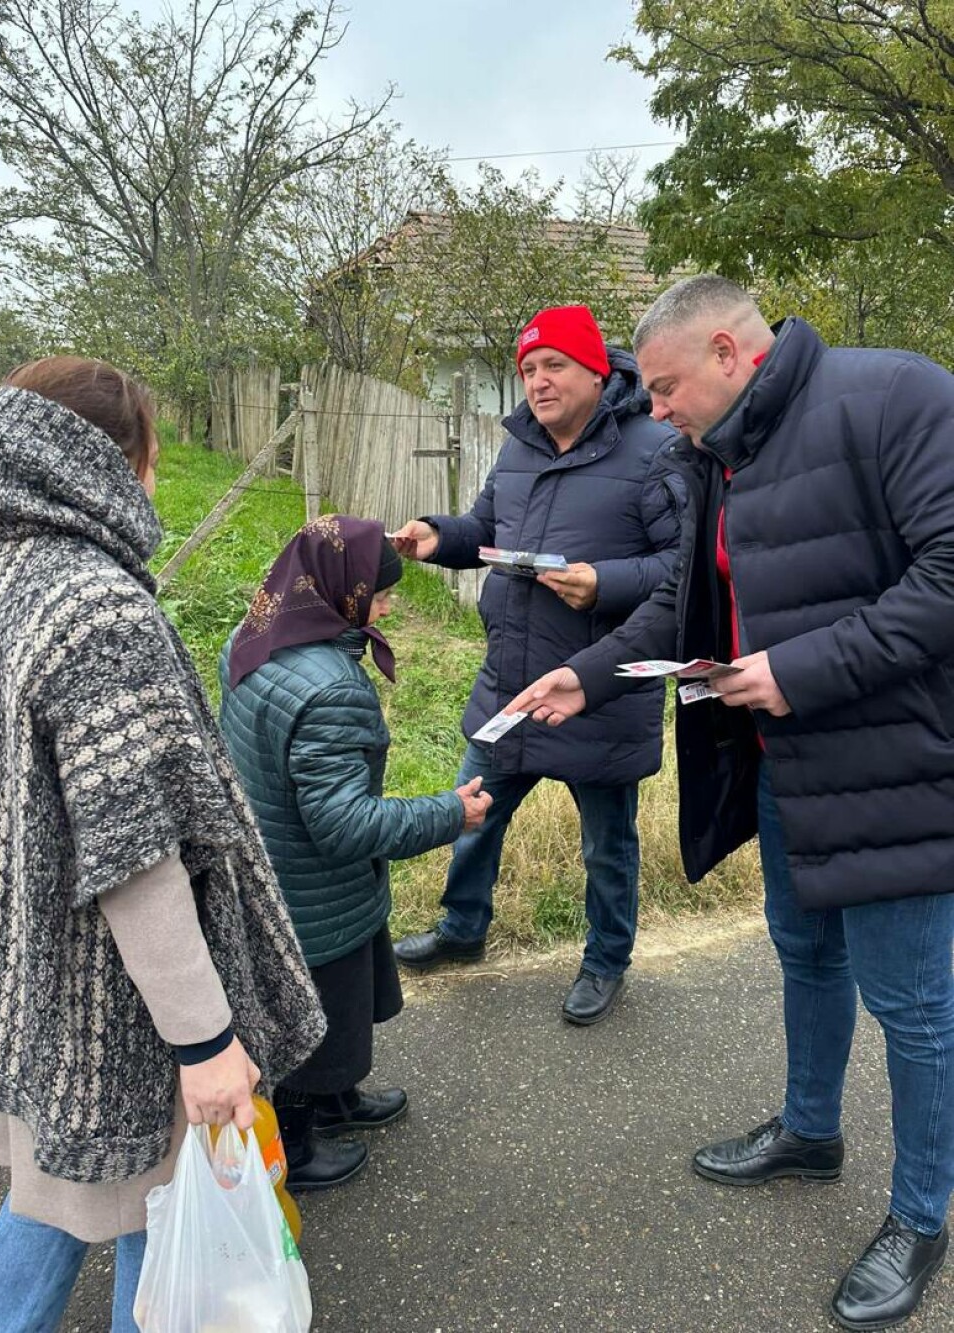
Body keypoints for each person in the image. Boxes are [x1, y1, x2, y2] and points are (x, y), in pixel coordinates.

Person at [510, 275, 954, 1329]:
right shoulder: (717, 452)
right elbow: (681, 600)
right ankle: (810, 1129)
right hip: (783, 768)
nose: (650, 409)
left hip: (901, 769)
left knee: (914, 1009)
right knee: (803, 955)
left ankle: (920, 1214)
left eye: (662, 388)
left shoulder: (898, 396)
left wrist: (800, 667)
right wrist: (592, 671)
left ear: (727, 353)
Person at [0, 358, 326, 1332]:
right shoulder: (96, 609)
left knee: (65, 1197)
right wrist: (204, 1042)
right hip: (118, 1004)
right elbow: (137, 861)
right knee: (163, 1233)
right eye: (153, 456)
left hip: (34, 974)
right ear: (120, 462)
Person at [390, 305, 682, 1025]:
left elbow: (685, 569)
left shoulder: (654, 449)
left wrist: (603, 582)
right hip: (511, 677)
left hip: (599, 683)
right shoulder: (520, 446)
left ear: (594, 369)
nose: (539, 382)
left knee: (606, 843)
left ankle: (607, 958)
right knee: (474, 813)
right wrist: (438, 534)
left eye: (554, 366)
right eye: (528, 370)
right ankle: (463, 928)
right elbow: (488, 528)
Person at [219, 515, 491, 1189]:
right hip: (315, 886)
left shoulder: (255, 633)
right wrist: (450, 813)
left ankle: (336, 1099)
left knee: (336, 1002)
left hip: (268, 860)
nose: (391, 605)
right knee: (317, 1021)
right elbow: (342, 825)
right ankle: (298, 1144)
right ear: (344, 590)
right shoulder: (331, 686)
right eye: (383, 593)